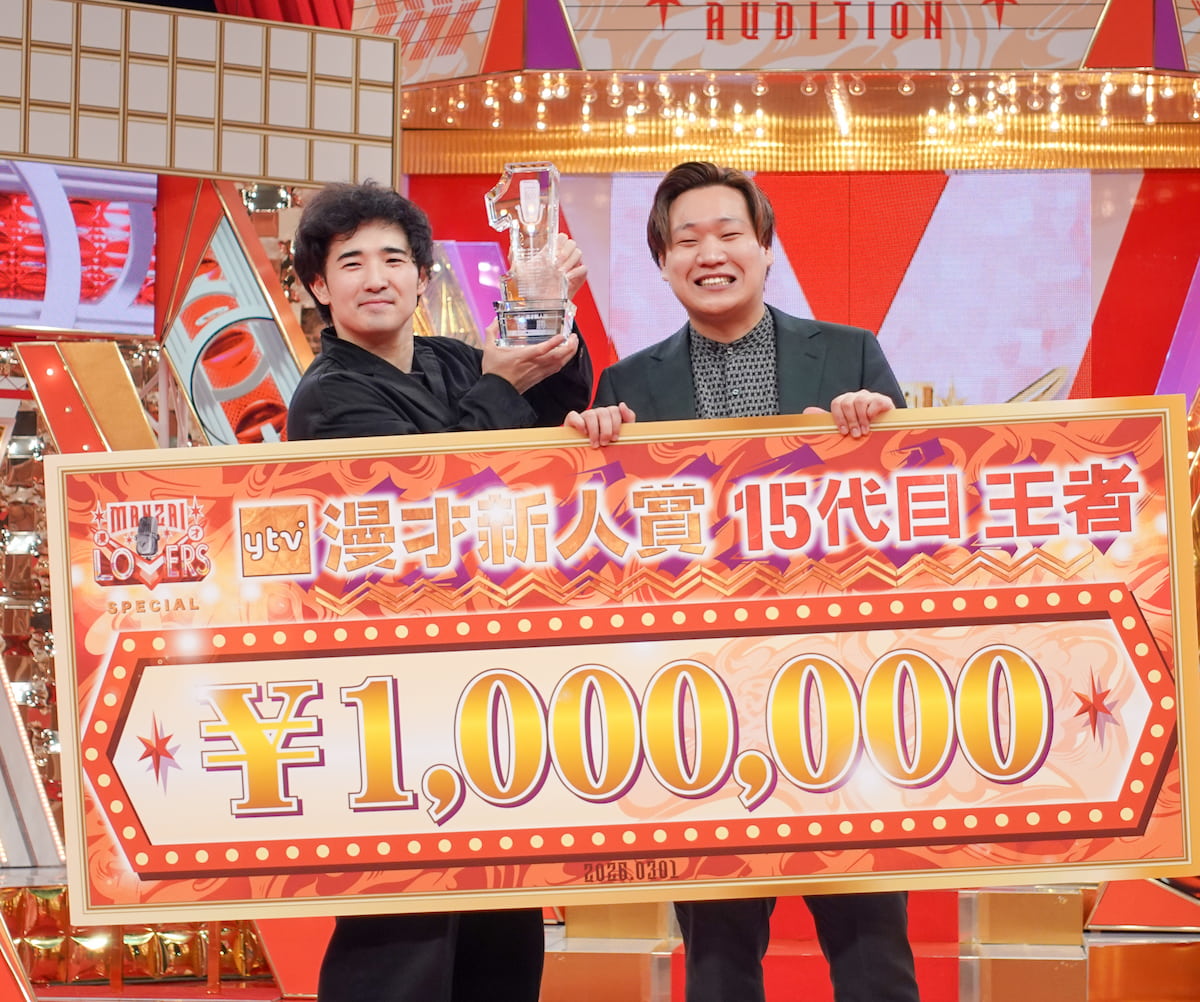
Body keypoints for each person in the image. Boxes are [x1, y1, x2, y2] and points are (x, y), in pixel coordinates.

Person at [566, 161, 921, 1002]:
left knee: (873, 950)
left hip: (841, 695)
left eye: (730, 234)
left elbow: (914, 505)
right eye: (687, 240)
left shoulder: (849, 354)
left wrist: (877, 435)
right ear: (663, 262)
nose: (710, 253)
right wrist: (592, 443)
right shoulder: (627, 386)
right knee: (719, 957)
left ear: (765, 247)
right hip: (705, 703)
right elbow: (608, 541)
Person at [286, 179, 592, 1002]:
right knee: (404, 932)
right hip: (391, 698)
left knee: (499, 924)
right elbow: (429, 498)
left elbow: (557, 403)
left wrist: (546, 311)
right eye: (352, 262)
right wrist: (502, 383)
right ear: (320, 286)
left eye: (394, 259)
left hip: (489, 681)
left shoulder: (453, 358)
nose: (376, 277)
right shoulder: (329, 397)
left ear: (422, 277)